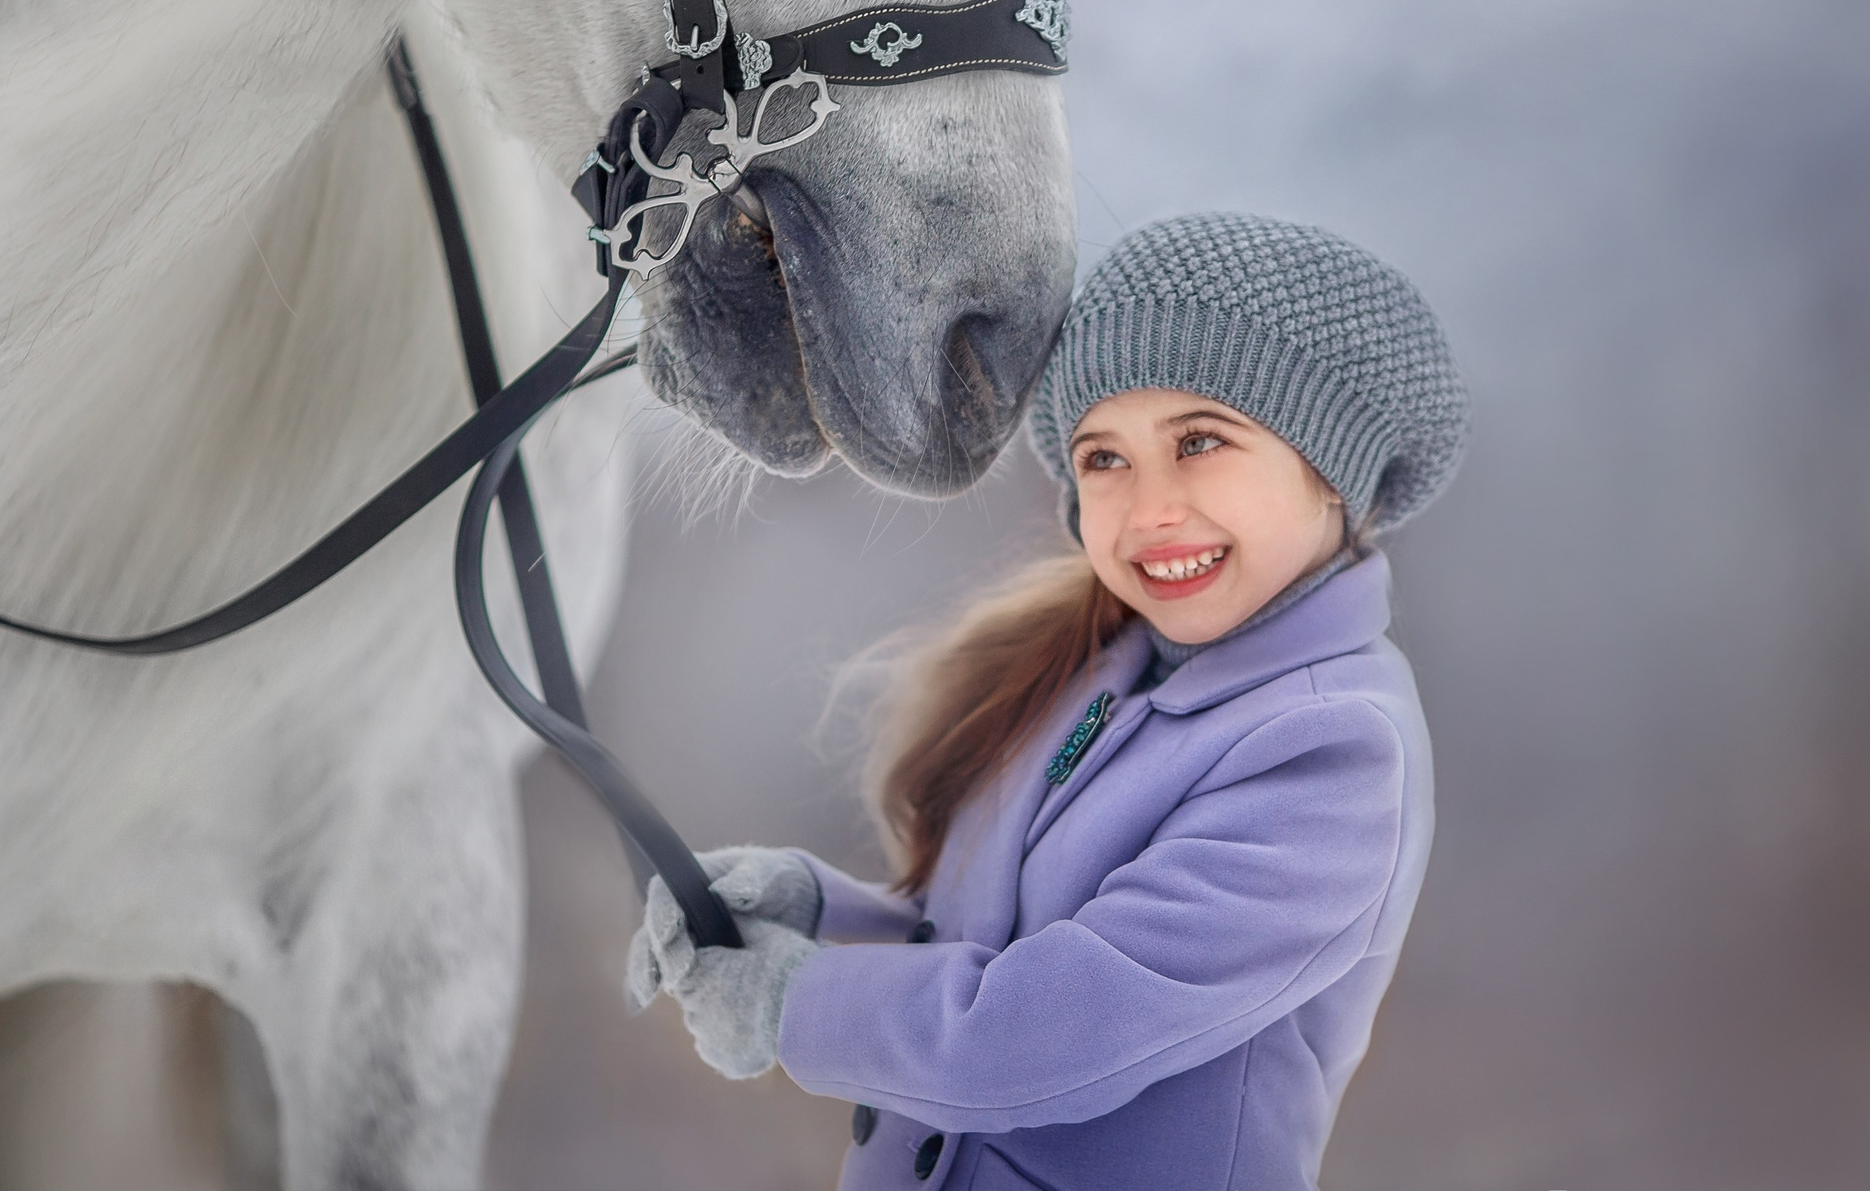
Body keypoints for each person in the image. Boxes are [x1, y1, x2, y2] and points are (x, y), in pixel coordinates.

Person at [625, 213, 1469, 1191]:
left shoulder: (1332, 748)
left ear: (1331, 471)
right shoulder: (1111, 671)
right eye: (1103, 457)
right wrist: (815, 908)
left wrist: (792, 1003)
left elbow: (1047, 1030)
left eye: (1200, 441)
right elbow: (988, 937)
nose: (1149, 509)